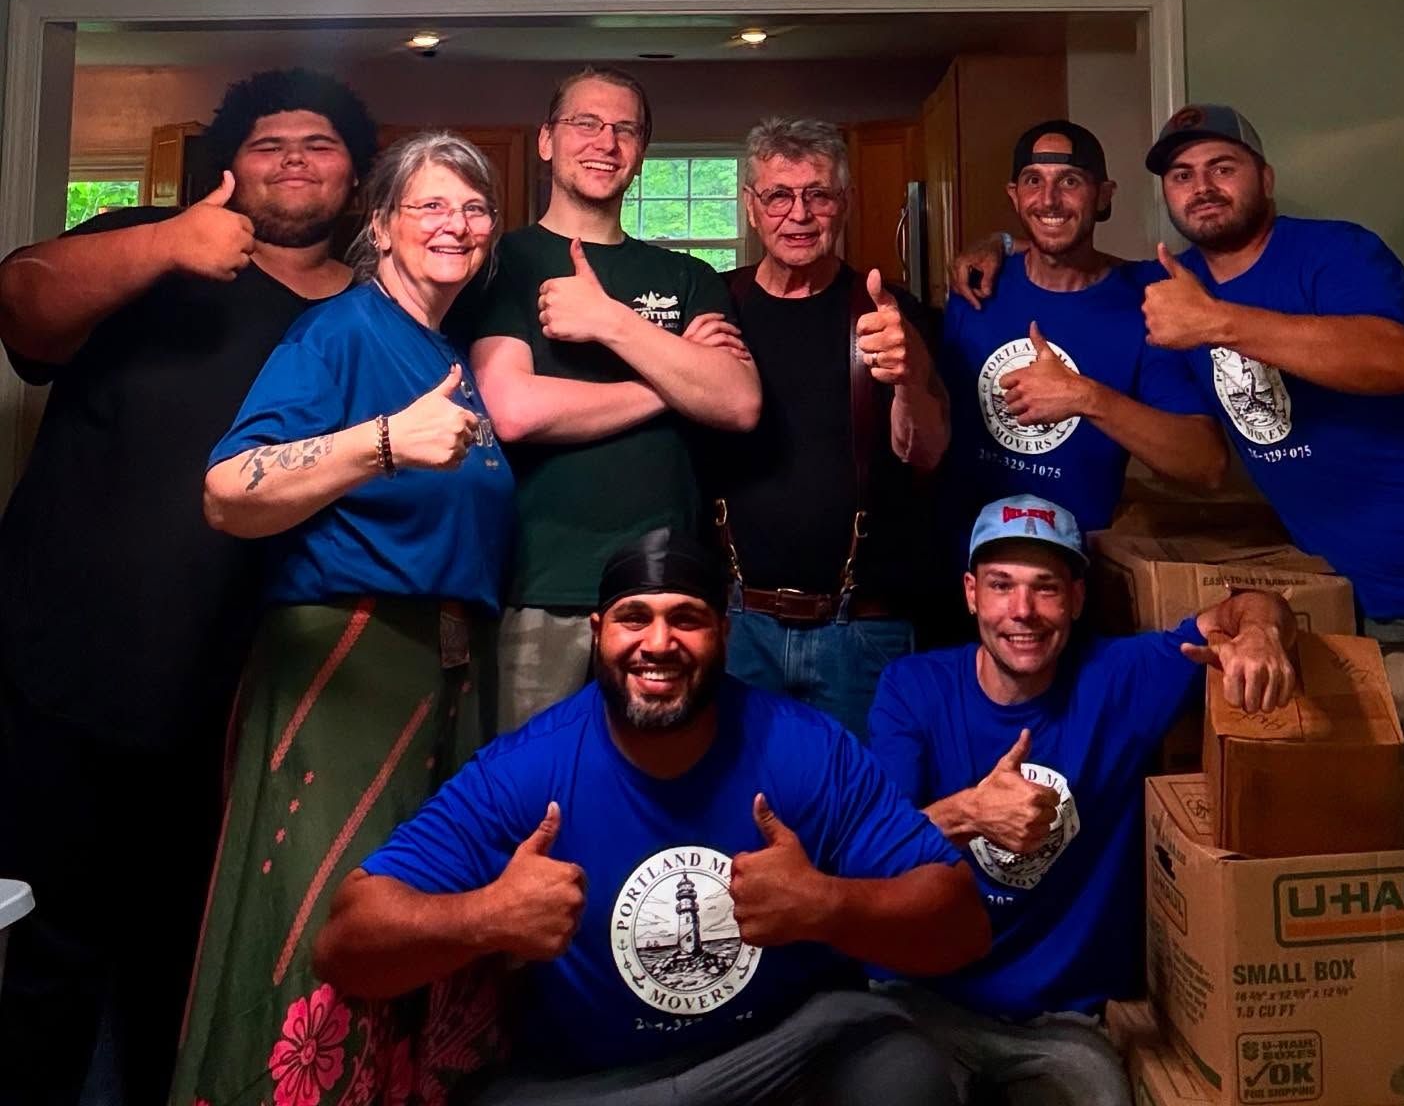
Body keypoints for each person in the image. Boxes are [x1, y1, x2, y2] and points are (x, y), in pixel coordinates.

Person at [315, 528, 991, 1106]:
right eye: (634, 617)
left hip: (775, 1055)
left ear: (725, 631)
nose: (659, 643)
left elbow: (960, 925)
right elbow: (345, 943)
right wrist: (486, 917)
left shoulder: (805, 749)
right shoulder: (527, 770)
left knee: (901, 1066)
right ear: (598, 632)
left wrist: (827, 905)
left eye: (687, 619)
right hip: (598, 1083)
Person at [0, 68, 372, 1106]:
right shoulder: (147, 245)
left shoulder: (373, 316)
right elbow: (23, 306)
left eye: (320, 144)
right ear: (229, 167)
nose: (294, 159)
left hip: (239, 694)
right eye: (269, 143)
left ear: (354, 180)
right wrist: (169, 245)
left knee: (189, 958)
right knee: (46, 946)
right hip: (57, 662)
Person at [170, 131, 516, 1106]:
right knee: (332, 922)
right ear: (383, 228)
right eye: (432, 206)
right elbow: (228, 490)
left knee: (419, 928)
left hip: (444, 676)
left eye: (474, 208)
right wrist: (383, 442)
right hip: (348, 670)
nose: (456, 224)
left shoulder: (448, 352)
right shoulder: (341, 332)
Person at [869, 494, 1297, 1105]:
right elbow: (874, 856)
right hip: (924, 999)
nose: (1022, 611)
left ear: (1075, 597)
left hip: (1060, 1022)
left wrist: (1256, 633)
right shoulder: (912, 689)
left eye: (1045, 588)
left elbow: (1248, 606)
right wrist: (969, 813)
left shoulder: (1118, 678)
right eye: (1001, 585)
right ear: (971, 594)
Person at [1136, 103, 1404, 783]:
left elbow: (1401, 360)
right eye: (1182, 175)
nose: (1202, 185)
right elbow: (1203, 463)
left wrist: (1218, 321)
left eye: (1223, 167)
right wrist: (995, 254)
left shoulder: (1336, 251)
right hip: (1349, 613)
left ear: (1265, 178)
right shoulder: (1167, 289)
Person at [458, 66, 761, 732]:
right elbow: (513, 408)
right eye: (586, 123)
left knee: (662, 794)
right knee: (535, 799)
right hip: (543, 587)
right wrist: (675, 382)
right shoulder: (501, 263)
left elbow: (738, 402)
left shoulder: (687, 275)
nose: (606, 142)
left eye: (626, 128)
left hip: (669, 590)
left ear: (642, 150)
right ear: (546, 140)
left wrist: (609, 322)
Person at [710, 118, 950, 738]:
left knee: (864, 818)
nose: (799, 214)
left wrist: (910, 375)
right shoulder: (716, 306)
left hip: (863, 631)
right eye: (778, 196)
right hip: (738, 625)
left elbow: (924, 452)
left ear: (843, 203)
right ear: (751, 205)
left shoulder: (889, 311)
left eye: (818, 194)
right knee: (742, 812)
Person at [939, 120, 1225, 547]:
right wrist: (996, 241)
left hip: (1074, 571)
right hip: (961, 564)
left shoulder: (1145, 303)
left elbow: (1206, 465)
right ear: (1014, 196)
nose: (1049, 200)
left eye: (1069, 181)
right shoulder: (975, 289)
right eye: (1033, 181)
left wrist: (1084, 397)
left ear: (1103, 195)